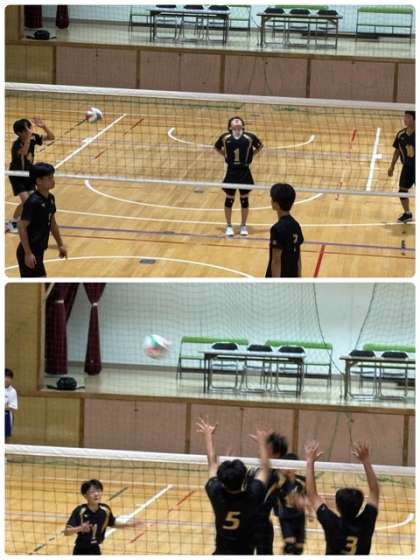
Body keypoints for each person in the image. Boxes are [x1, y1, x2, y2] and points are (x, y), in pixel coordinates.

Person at [196, 416, 271, 555]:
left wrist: (208, 436)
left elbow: (212, 463)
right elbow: (265, 468)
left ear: (221, 480)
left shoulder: (215, 493)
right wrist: (262, 443)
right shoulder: (253, 494)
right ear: (244, 478)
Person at [305, 440, 379, 555]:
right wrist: (366, 461)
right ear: (360, 506)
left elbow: (312, 495)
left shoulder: (331, 522)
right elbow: (374, 492)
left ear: (338, 507)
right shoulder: (367, 521)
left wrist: (310, 461)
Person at [214, 116, 263, 237]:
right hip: (231, 171)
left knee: (244, 199)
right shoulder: (225, 137)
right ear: (230, 127)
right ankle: (229, 226)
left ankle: (243, 225)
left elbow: (260, 146)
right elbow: (216, 147)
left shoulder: (249, 137)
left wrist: (251, 156)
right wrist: (225, 155)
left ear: (243, 125)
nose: (237, 120)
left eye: (239, 120)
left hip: (244, 171)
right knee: (229, 199)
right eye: (234, 120)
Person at [65, 479, 142, 555]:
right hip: (81, 551)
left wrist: (130, 525)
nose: (96, 494)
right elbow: (66, 532)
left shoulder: (105, 510)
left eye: (98, 491)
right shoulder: (80, 511)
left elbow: (112, 523)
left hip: (95, 549)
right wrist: (79, 528)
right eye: (92, 492)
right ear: (85, 495)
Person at [17, 162, 67, 277]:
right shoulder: (33, 202)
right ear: (38, 181)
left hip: (39, 250)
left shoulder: (51, 198)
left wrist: (60, 245)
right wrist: (28, 253)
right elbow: (21, 226)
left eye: (52, 177)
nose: (53, 180)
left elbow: (53, 223)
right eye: (49, 178)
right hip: (29, 251)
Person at [8, 117, 55, 233]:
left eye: (29, 128)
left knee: (32, 200)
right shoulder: (16, 145)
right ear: (19, 133)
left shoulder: (32, 137)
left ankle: (26, 220)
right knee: (27, 201)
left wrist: (44, 127)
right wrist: (29, 137)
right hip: (17, 175)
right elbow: (24, 152)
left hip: (29, 174)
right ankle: (13, 222)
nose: (29, 131)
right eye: (26, 130)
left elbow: (51, 137)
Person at [250, 433, 289, 554]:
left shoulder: (274, 477)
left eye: (266, 447)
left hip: (261, 528)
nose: (261, 448)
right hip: (246, 525)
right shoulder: (254, 470)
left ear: (276, 455)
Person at [266, 183, 304, 278]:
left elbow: (276, 261)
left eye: (272, 199)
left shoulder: (277, 229)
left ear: (276, 203)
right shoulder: (296, 225)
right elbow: (298, 258)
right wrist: (299, 279)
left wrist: (276, 284)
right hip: (293, 277)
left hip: (280, 279)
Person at [276, 453, 306, 555]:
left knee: (299, 549)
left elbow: (307, 497)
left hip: (300, 517)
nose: (286, 469)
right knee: (289, 546)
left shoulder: (302, 481)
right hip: (286, 517)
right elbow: (292, 499)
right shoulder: (279, 482)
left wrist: (309, 510)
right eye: (284, 466)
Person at [388, 110, 415, 223]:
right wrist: (392, 166)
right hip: (407, 168)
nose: (405, 119)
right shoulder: (401, 135)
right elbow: (397, 151)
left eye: (408, 117)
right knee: (402, 192)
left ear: (415, 119)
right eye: (405, 117)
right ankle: (407, 213)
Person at [5, 368, 18, 443]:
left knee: (6, 436)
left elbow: (13, 407)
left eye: (9, 377)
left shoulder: (12, 391)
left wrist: (5, 407)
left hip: (6, 416)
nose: (6, 379)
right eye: (5, 377)